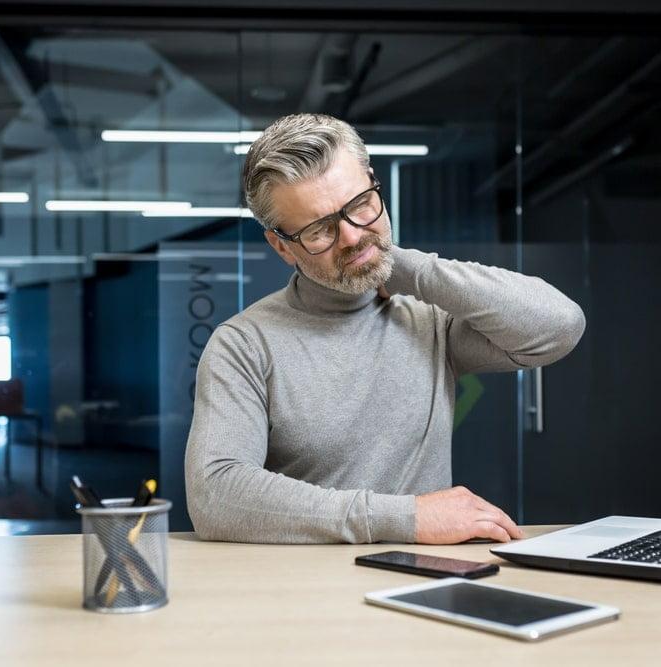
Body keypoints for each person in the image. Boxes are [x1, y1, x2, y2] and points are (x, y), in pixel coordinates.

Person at [184, 113, 585, 544]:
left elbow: (558, 327)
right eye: (319, 229)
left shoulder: (429, 318)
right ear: (282, 245)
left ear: (374, 183)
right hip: (308, 592)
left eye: (359, 205)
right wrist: (405, 517)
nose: (352, 237)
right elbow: (215, 494)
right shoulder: (243, 345)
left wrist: (403, 269)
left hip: (425, 581)